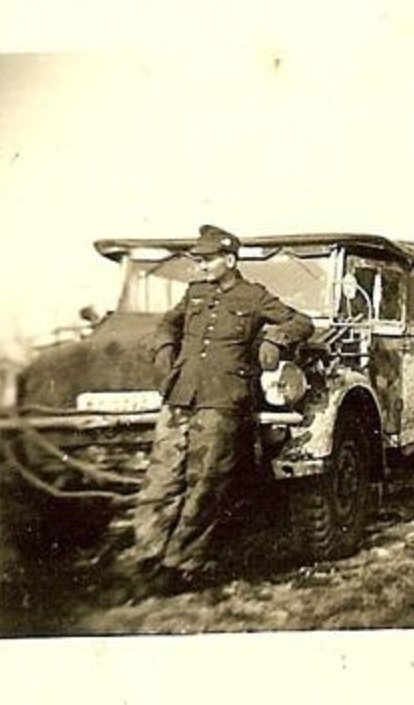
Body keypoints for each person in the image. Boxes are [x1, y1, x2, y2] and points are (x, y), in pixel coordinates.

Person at [131, 224, 313, 592]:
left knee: (206, 485)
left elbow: (301, 322)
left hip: (222, 401)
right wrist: (165, 346)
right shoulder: (194, 293)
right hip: (181, 395)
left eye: (207, 260)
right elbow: (168, 322)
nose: (200, 266)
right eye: (198, 260)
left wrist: (276, 339)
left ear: (229, 260)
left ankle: (181, 562)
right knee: (161, 477)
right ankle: (147, 556)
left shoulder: (255, 296)